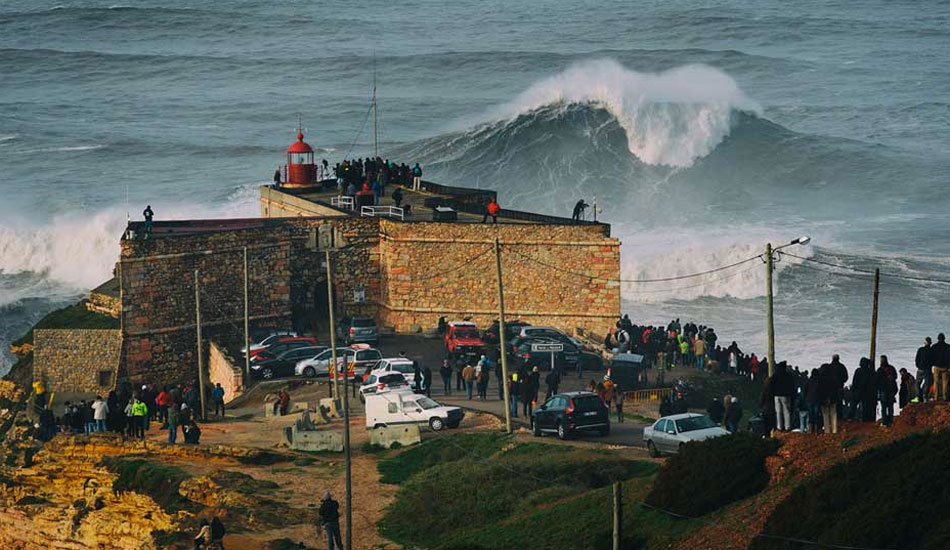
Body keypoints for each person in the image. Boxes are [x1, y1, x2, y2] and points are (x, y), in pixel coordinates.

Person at [772, 362, 795, 432]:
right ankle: (787, 426)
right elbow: (791, 385)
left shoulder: (775, 374)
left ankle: (779, 427)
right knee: (786, 411)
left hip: (776, 395)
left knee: (778, 411)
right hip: (785, 395)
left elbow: (772, 383)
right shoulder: (788, 375)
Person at [818, 363, 839, 434]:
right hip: (833, 398)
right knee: (834, 413)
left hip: (824, 399)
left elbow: (820, 390)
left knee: (825, 414)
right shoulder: (834, 378)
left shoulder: (821, 379)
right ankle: (834, 430)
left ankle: (827, 430)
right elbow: (836, 388)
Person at [876, 356, 898, 427]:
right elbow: (895, 377)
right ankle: (890, 421)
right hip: (891, 390)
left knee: (884, 407)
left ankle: (885, 422)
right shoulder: (891, 368)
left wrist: (878, 389)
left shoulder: (880, 370)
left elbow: (877, 381)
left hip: (883, 390)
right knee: (890, 406)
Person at [931, 333, 950, 401]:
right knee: (945, 383)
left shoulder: (934, 346)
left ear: (938, 338)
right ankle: (945, 397)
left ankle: (936, 397)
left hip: (936, 366)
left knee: (936, 382)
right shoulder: (948, 347)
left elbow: (931, 356)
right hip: (945, 367)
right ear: (944, 338)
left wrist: (932, 363)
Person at [915, 336, 933, 402]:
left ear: (924, 342)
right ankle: (925, 396)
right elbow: (933, 360)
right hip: (928, 369)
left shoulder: (921, 349)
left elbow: (917, 359)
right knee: (927, 383)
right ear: (930, 343)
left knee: (917, 383)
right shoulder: (932, 350)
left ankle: (918, 396)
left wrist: (918, 365)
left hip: (920, 369)